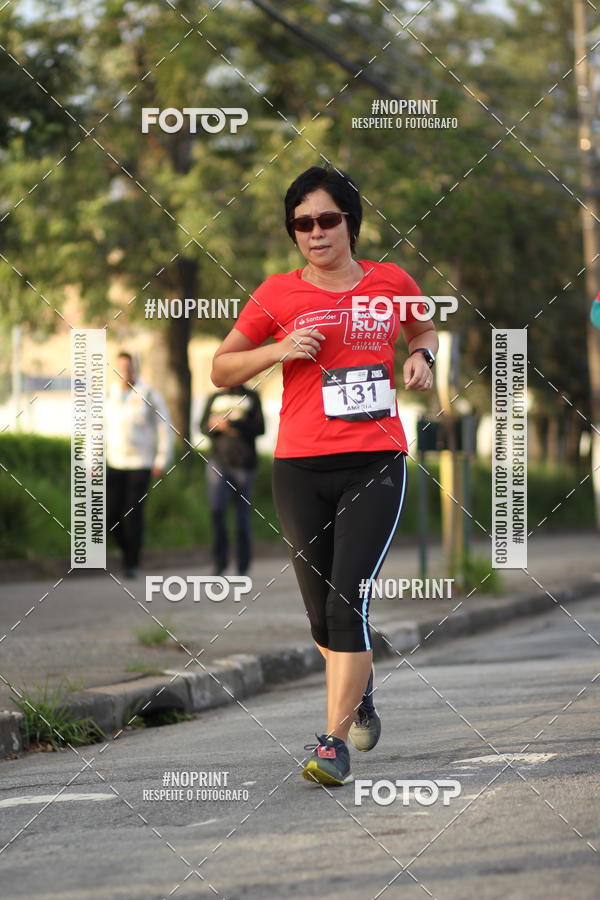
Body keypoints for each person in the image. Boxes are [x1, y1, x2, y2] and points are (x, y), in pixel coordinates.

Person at [210, 165, 438, 786]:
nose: (315, 232)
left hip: (375, 460)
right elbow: (222, 369)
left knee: (347, 601)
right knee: (320, 617)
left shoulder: (391, 282)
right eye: (302, 223)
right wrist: (279, 350)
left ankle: (331, 742)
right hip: (299, 466)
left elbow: (422, 326)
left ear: (350, 223)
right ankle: (357, 690)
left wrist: (421, 355)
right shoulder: (277, 294)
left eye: (326, 219)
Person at [106, 351, 173, 578]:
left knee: (131, 513)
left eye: (129, 368)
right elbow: (96, 430)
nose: (125, 373)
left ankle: (131, 563)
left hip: (141, 463)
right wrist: (91, 461)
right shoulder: (108, 394)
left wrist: (161, 458)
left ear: (135, 369)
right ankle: (127, 552)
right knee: (110, 514)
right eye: (120, 368)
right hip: (114, 461)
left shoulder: (148, 394)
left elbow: (164, 427)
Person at [199, 384, 265, 575]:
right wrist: (215, 426)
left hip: (244, 464)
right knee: (217, 511)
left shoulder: (252, 396)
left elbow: (260, 428)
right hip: (217, 462)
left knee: (241, 517)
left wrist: (233, 425)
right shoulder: (214, 397)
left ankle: (243, 566)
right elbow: (202, 426)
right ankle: (220, 562)